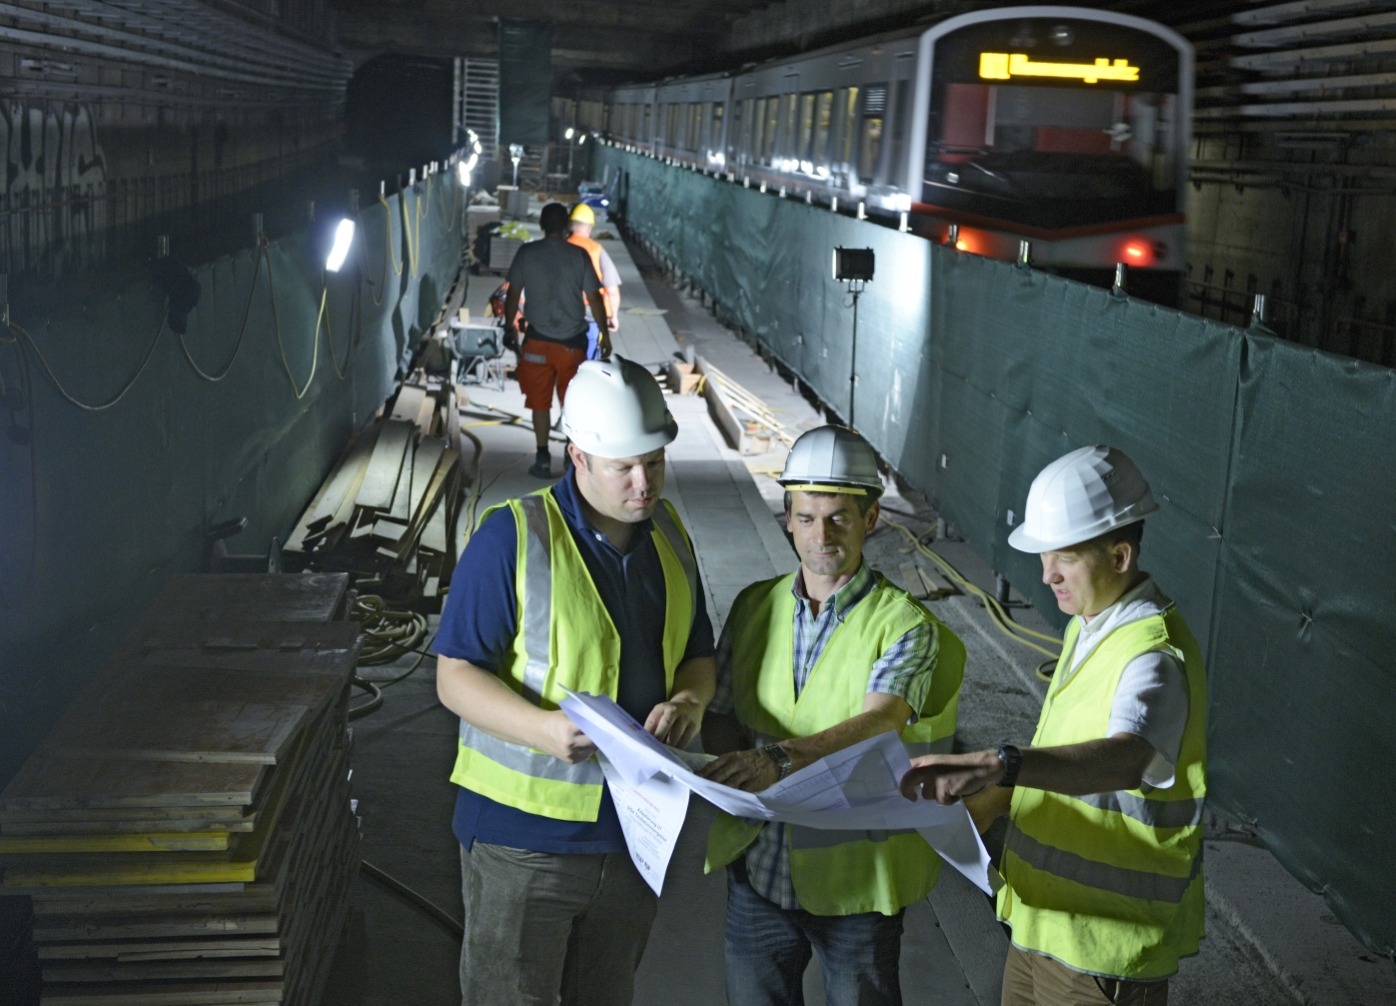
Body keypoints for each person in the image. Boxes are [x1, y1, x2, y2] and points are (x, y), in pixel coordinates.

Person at [435, 357, 717, 1006]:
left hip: (631, 837)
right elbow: (454, 677)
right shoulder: (512, 537)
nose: (644, 483)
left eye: (655, 461)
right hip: (522, 843)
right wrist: (544, 731)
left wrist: (689, 701)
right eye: (623, 467)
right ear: (578, 457)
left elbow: (699, 652)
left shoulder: (670, 536)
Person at [900, 445, 1206, 1006]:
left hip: (1102, 944)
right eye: (1044, 556)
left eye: (1064, 557)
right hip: (1041, 923)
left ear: (1118, 557)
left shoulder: (1152, 654)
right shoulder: (1090, 625)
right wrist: (993, 801)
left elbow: (1127, 756)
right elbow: (1061, 748)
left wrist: (1000, 763)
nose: (1046, 575)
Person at [698, 425, 965, 1006]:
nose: (822, 535)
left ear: (870, 519)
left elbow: (882, 720)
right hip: (758, 871)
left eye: (840, 517)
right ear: (787, 517)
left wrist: (774, 759)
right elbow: (720, 716)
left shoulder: (905, 626)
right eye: (807, 516)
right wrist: (722, 769)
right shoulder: (753, 607)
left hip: (856, 888)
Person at [503, 201, 611, 479]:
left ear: (540, 224)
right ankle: (569, 454)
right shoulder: (579, 255)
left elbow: (512, 294)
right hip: (571, 346)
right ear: (566, 226)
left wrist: (508, 327)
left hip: (537, 343)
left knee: (539, 403)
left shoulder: (527, 253)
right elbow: (596, 297)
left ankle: (541, 458)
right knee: (572, 403)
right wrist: (604, 333)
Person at [568, 203, 621, 360]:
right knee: (588, 359)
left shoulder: (558, 248)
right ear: (589, 227)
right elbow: (612, 290)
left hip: (563, 315)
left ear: (568, 224)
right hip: (590, 315)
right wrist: (613, 317)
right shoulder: (596, 250)